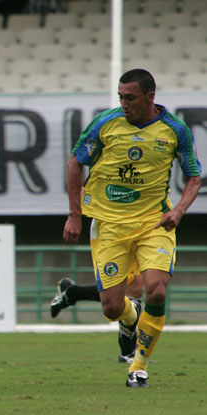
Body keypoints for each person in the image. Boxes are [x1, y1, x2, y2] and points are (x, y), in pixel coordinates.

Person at [63, 69, 202, 387]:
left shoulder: (174, 130)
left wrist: (179, 211)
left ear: (150, 97)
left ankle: (138, 366)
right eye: (120, 97)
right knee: (111, 307)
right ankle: (128, 318)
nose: (123, 103)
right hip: (109, 225)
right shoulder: (106, 123)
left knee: (156, 289)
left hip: (155, 223)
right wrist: (74, 215)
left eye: (130, 97)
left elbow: (193, 177)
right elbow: (75, 162)